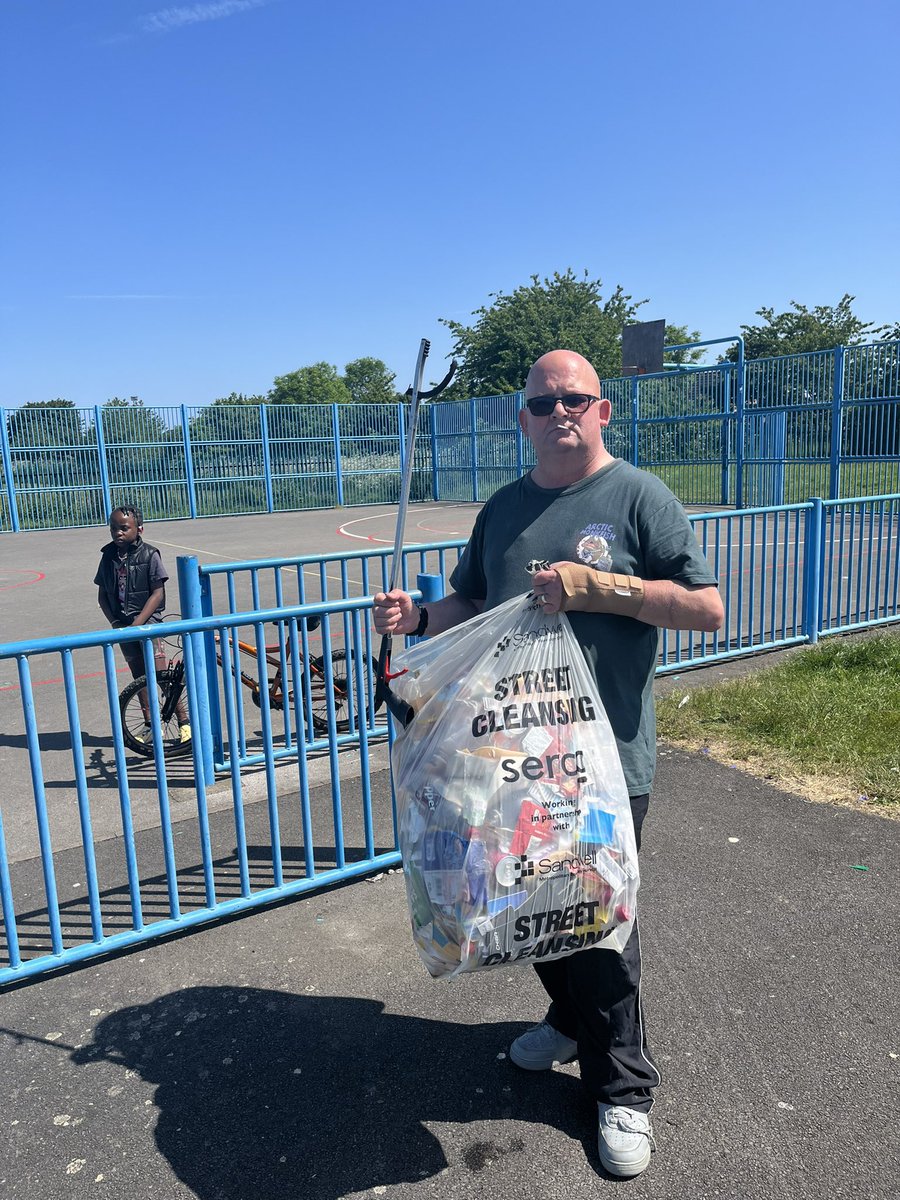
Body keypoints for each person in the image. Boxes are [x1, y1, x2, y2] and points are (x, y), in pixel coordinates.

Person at [373, 349, 724, 1178]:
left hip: (603, 765)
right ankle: (569, 1023)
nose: (560, 410)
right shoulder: (504, 508)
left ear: (603, 411)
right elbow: (472, 600)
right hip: (509, 760)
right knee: (526, 910)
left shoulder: (637, 496)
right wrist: (419, 614)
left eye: (577, 398)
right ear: (523, 419)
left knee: (598, 926)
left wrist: (601, 587)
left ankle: (624, 1089)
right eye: (543, 401)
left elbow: (707, 607)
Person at [95, 502, 190, 743]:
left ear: (140, 529)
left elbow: (157, 593)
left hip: (148, 626)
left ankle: (183, 721)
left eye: (124, 527)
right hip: (124, 627)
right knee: (139, 678)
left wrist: (139, 622)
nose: (118, 532)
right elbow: (103, 594)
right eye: (113, 528)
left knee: (161, 675)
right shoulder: (107, 557)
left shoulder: (150, 554)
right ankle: (151, 724)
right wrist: (116, 622)